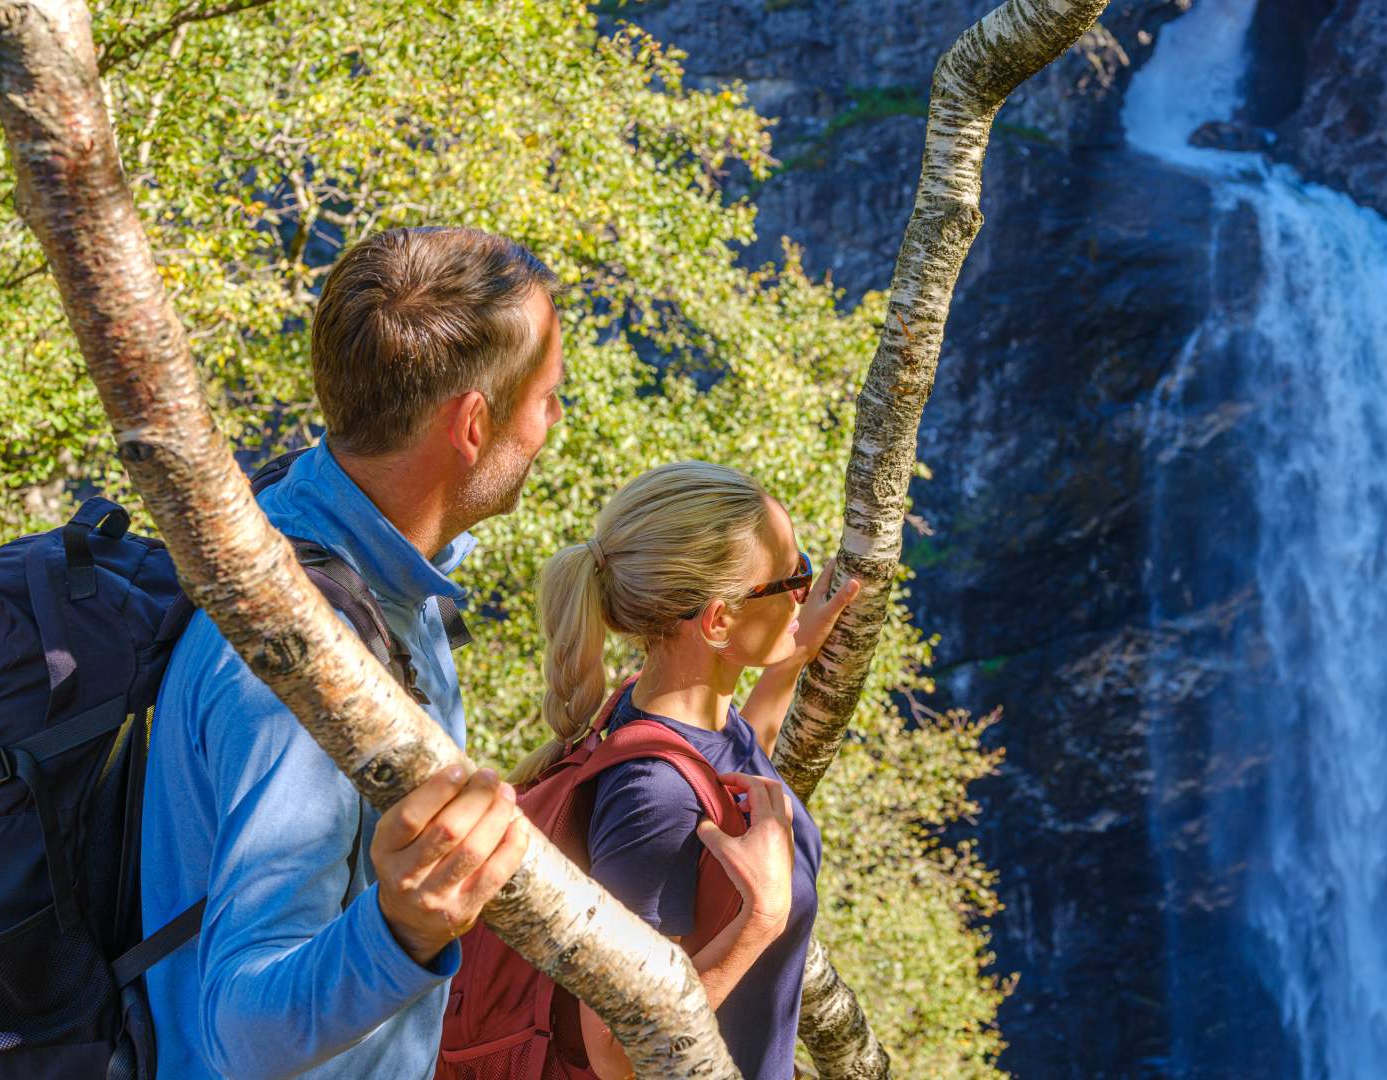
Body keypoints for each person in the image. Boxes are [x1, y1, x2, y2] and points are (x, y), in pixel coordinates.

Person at [142, 226, 560, 1080]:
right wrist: (406, 929)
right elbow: (242, 1029)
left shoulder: (362, 562)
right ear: (473, 424)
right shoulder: (298, 663)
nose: (553, 422)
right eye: (549, 396)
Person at [505, 460, 859, 1080]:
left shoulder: (679, 712)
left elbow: (730, 776)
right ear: (719, 621)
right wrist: (762, 920)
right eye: (790, 578)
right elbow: (616, 1054)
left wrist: (789, 658)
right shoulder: (654, 798)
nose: (804, 587)